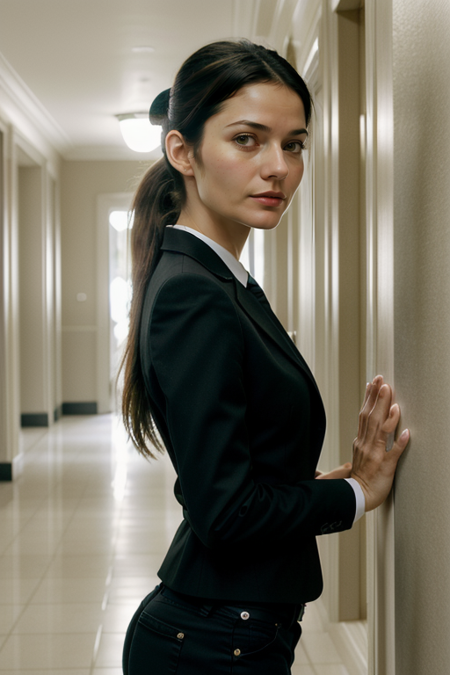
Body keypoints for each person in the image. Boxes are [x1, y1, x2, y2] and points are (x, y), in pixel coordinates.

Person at [120, 39, 409, 675]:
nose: (277, 166)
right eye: (247, 139)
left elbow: (240, 479)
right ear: (183, 152)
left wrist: (335, 481)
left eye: (294, 143)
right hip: (212, 642)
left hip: (227, 628)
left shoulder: (221, 279)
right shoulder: (194, 293)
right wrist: (358, 494)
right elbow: (226, 512)